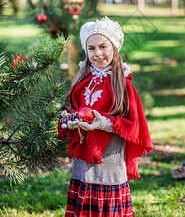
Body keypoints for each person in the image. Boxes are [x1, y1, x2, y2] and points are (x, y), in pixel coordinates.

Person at [57, 17, 153, 217]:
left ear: (114, 48)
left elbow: (133, 125)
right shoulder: (82, 82)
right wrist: (70, 119)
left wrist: (105, 122)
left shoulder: (123, 85)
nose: (98, 53)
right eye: (91, 48)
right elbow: (72, 108)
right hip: (84, 161)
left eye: (103, 46)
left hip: (109, 160)